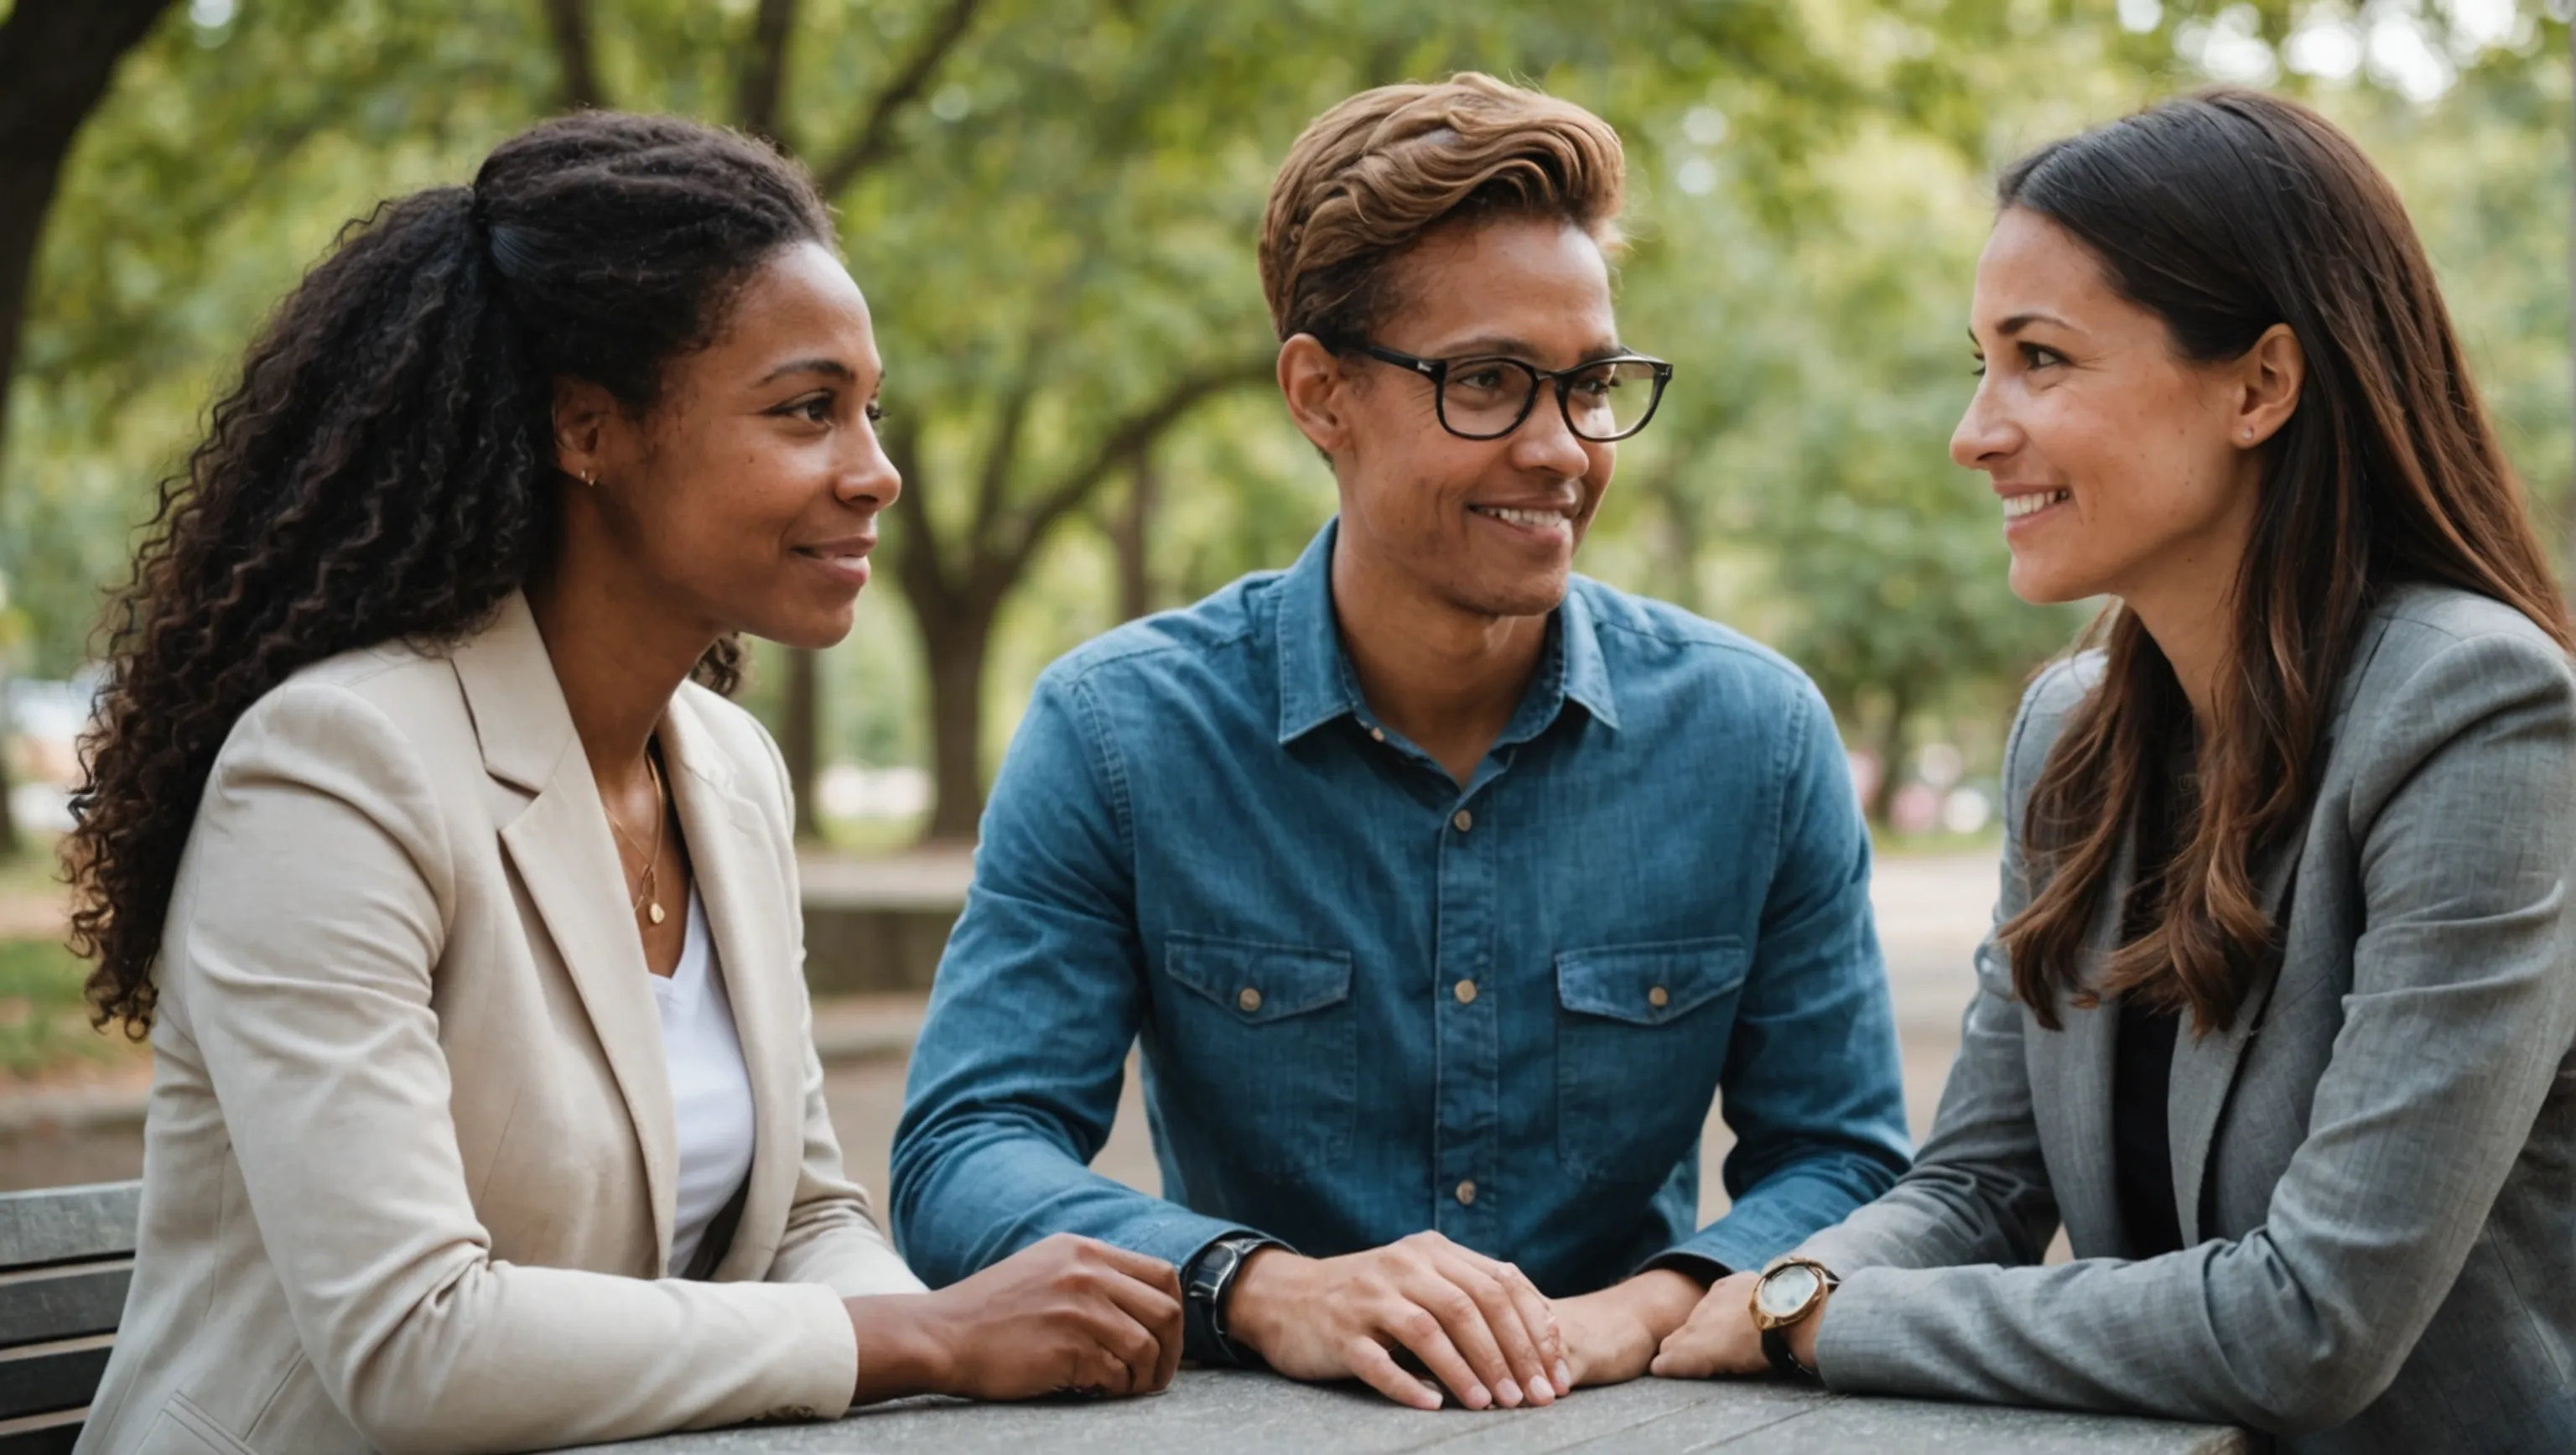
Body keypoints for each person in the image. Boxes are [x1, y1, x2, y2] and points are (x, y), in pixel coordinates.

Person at [66, 112, 1182, 1455]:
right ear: (588, 429)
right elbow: (415, 1342)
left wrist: (974, 1388)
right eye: (806, 409)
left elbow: (807, 1221)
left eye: (868, 410)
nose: (875, 470)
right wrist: (928, 1335)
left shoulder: (728, 769)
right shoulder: (334, 774)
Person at [891, 73, 1909, 1415]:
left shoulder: (1756, 736)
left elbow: (1848, 1160)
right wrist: (1267, 1287)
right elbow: (967, 1147)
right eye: (1489, 382)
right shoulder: (1119, 732)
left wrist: (1633, 1315)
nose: (1562, 448)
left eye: (1592, 383)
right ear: (1321, 395)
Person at [1649, 90, 2576, 1454]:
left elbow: (2311, 1322)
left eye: (2041, 360)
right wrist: (1741, 1290)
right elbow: (1975, 1186)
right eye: (1980, 361)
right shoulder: (2070, 736)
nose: (1975, 431)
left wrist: (1815, 1320)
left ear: (2260, 384)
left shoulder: (2475, 712)